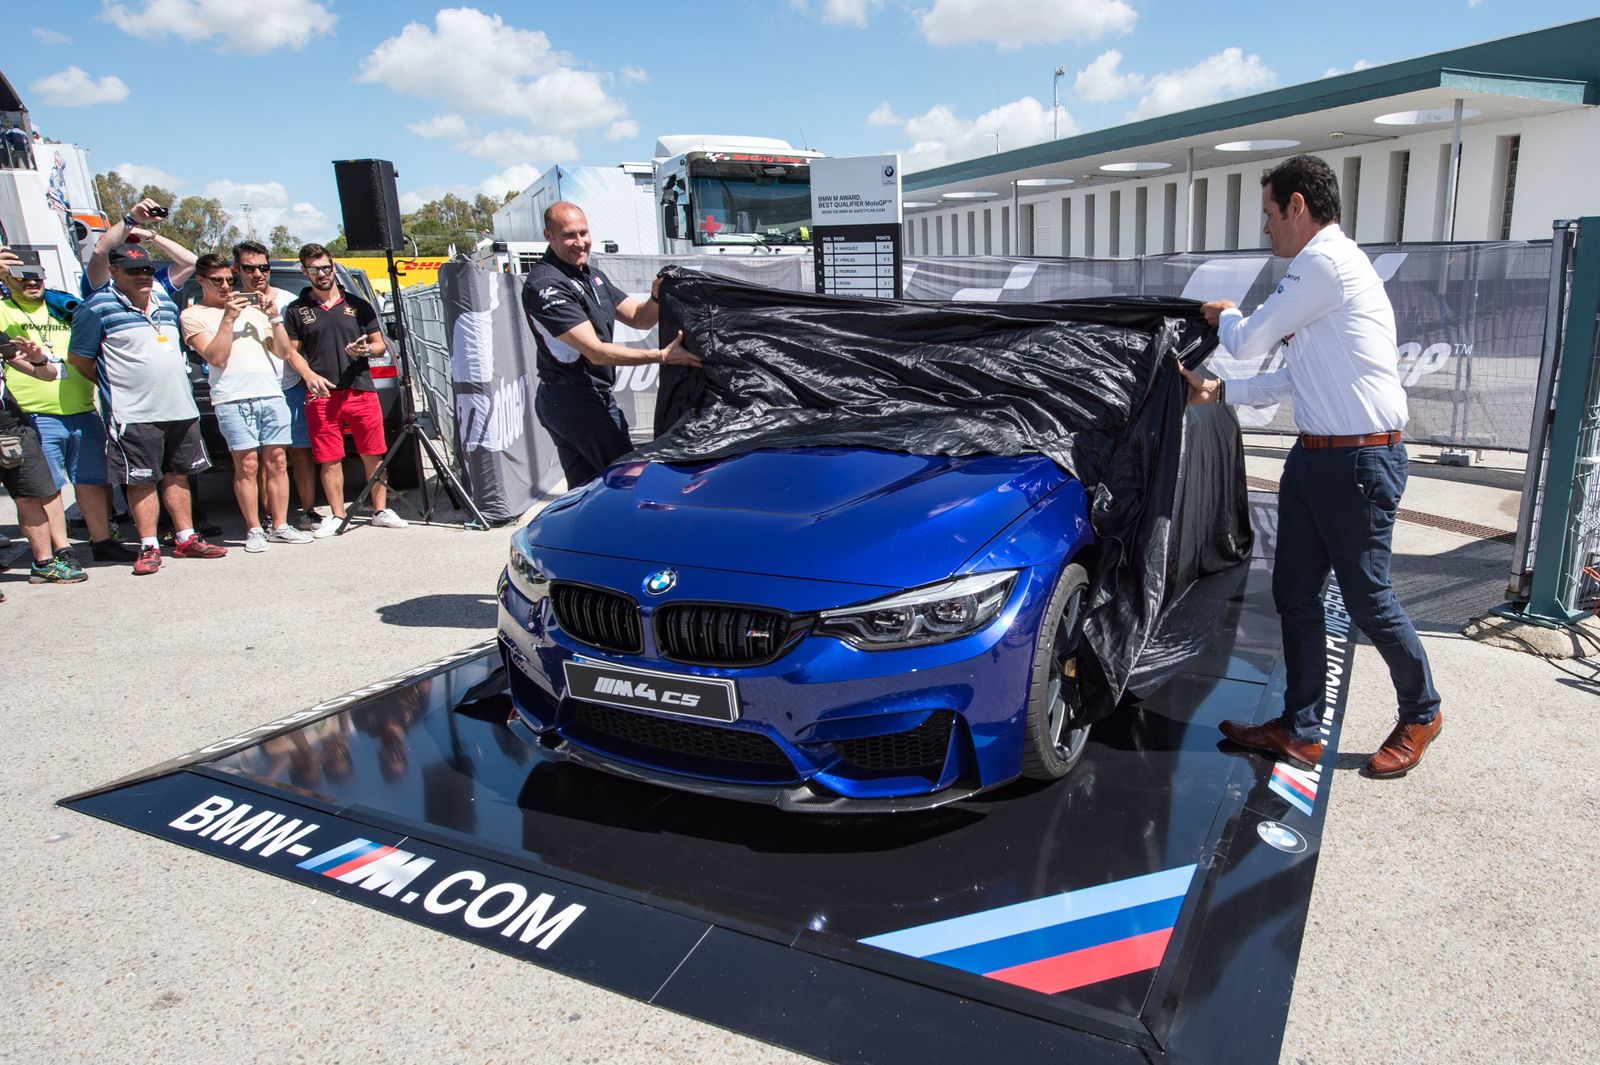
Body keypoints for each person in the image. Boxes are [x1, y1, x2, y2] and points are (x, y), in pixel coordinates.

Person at [1178, 154, 1443, 779]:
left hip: (1361, 459)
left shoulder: (1324, 262)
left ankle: (1422, 711)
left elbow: (1246, 340)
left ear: (1299, 207)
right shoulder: (1323, 272)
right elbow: (1299, 375)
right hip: (1317, 457)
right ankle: (1300, 730)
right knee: (1294, 595)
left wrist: (1224, 316)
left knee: (1368, 599)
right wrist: (1220, 393)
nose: (1266, 228)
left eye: (1270, 213)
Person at [66, 242, 227, 574]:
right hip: (134, 412)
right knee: (141, 480)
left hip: (179, 407)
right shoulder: (96, 308)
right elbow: (80, 360)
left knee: (178, 474)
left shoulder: (165, 303)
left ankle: (185, 536)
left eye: (146, 270)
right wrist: (119, 386)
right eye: (133, 270)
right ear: (114, 272)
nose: (143, 276)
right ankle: (149, 545)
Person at [522, 201, 699, 488]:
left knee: (586, 491)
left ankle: (579, 532)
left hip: (589, 397)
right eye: (569, 235)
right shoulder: (545, 284)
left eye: (584, 233)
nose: (580, 243)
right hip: (573, 400)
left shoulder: (592, 276)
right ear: (548, 236)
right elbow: (596, 352)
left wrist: (657, 296)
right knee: (629, 481)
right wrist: (663, 356)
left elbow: (639, 318)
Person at [179, 254, 322, 551]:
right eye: (217, 281)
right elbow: (216, 356)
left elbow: (283, 352)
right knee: (246, 466)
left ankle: (280, 525)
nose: (225, 287)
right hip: (233, 398)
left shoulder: (254, 311)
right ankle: (254, 528)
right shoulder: (193, 315)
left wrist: (273, 317)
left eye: (229, 281)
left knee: (279, 462)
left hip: (270, 392)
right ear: (201, 281)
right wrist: (229, 319)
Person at [0, 248, 134, 564]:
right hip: (34, 412)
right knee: (48, 488)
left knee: (92, 480)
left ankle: (102, 540)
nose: (32, 282)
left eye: (37, 275)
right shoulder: (4, 309)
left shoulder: (63, 306)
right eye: (23, 277)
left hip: (82, 408)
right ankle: (62, 548)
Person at [282, 244, 406, 536]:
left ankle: (380, 510)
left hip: (360, 388)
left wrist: (365, 349)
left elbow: (379, 344)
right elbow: (292, 352)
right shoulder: (297, 310)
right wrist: (308, 374)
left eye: (326, 267)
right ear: (305, 271)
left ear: (333, 266)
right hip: (321, 394)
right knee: (329, 457)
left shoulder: (358, 304)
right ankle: (338, 515)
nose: (322, 274)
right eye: (314, 269)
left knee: (373, 453)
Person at [0, 249, 87, 592]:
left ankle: (45, 563)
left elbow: (48, 374)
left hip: (9, 421)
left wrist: (38, 361)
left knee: (34, 492)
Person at [233, 239, 322, 529]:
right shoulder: (231, 302)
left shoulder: (287, 300)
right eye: (250, 268)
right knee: (260, 459)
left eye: (263, 267)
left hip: (288, 387)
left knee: (299, 453)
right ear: (237, 269)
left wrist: (308, 375)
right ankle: (272, 517)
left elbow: (298, 347)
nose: (257, 274)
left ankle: (307, 511)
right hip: (251, 390)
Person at [86, 198, 196, 296]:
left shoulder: (153, 282)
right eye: (121, 245)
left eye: (130, 244)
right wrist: (131, 220)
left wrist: (151, 235)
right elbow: (101, 252)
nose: (128, 250)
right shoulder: (101, 281)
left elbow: (192, 262)